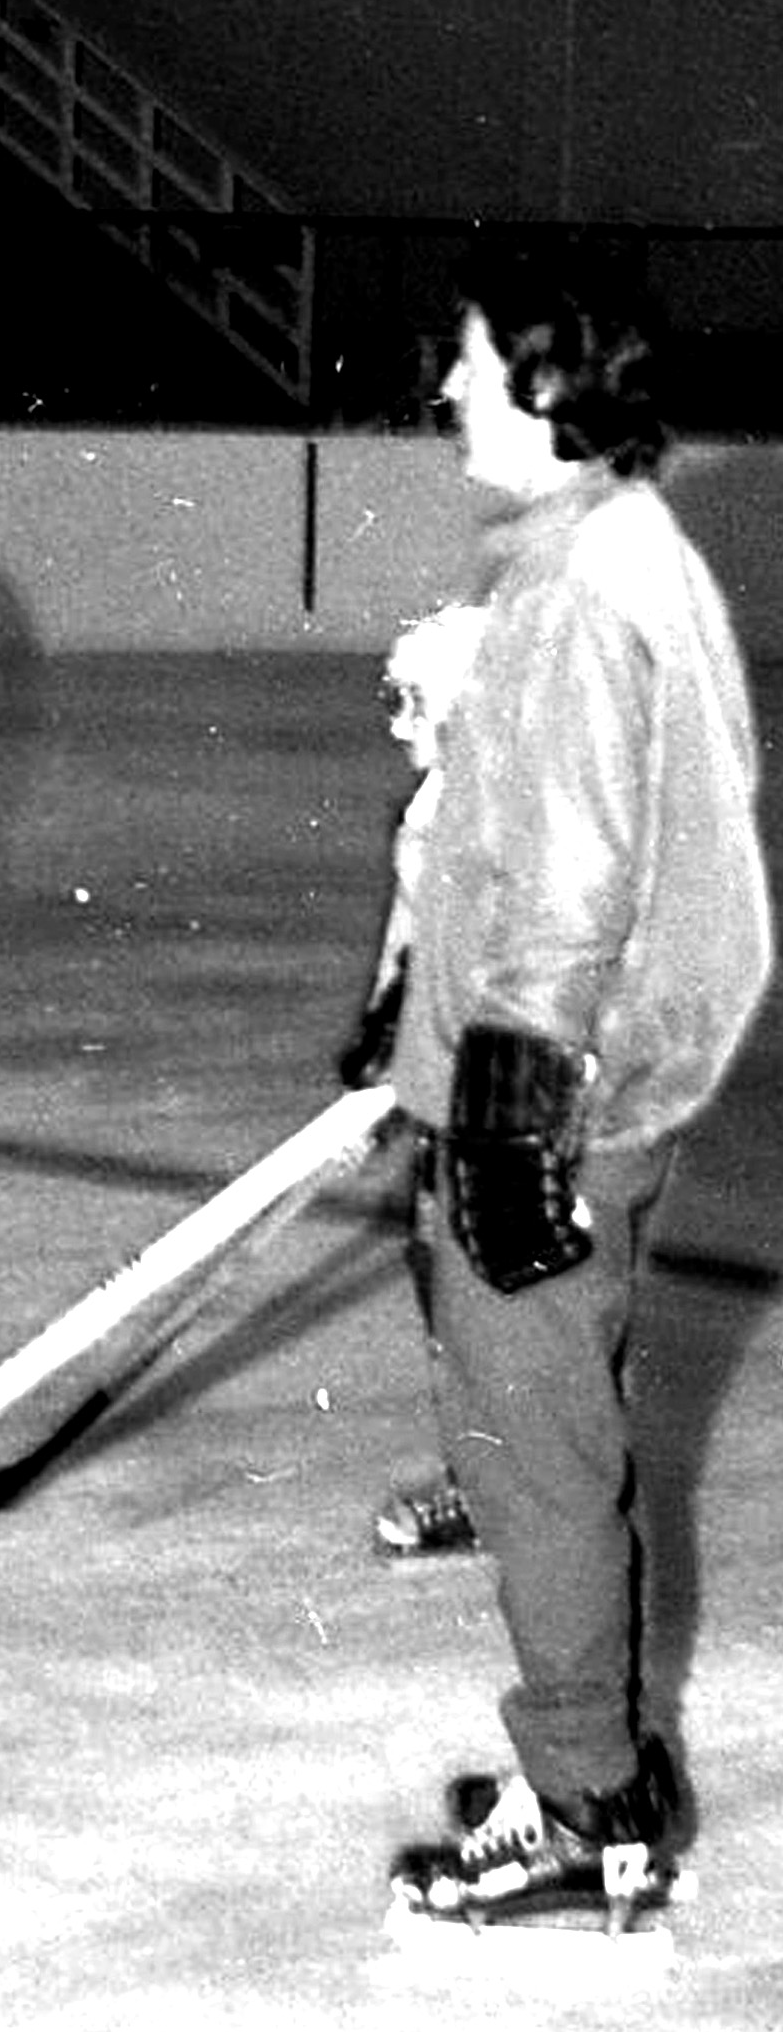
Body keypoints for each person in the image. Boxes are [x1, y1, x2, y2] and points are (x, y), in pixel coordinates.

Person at [384, 245, 770, 1934]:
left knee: (534, 1452)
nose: (450, 389)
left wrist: (514, 1099)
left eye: (475, 362)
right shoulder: (617, 547)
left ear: (555, 384)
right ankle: (605, 1755)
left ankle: (585, 1803)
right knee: (559, 1435)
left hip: (553, 1089)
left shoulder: (576, 590)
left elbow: (572, 876)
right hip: (612, 1076)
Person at [336, 599, 489, 1561]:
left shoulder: (520, 818)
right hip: (444, 1089)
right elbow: (409, 940)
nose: (398, 725)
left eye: (415, 704)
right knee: (437, 1261)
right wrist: (380, 1042)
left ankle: (533, 1481)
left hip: (519, 1093)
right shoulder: (428, 812)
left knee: (511, 1289)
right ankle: (486, 1476)